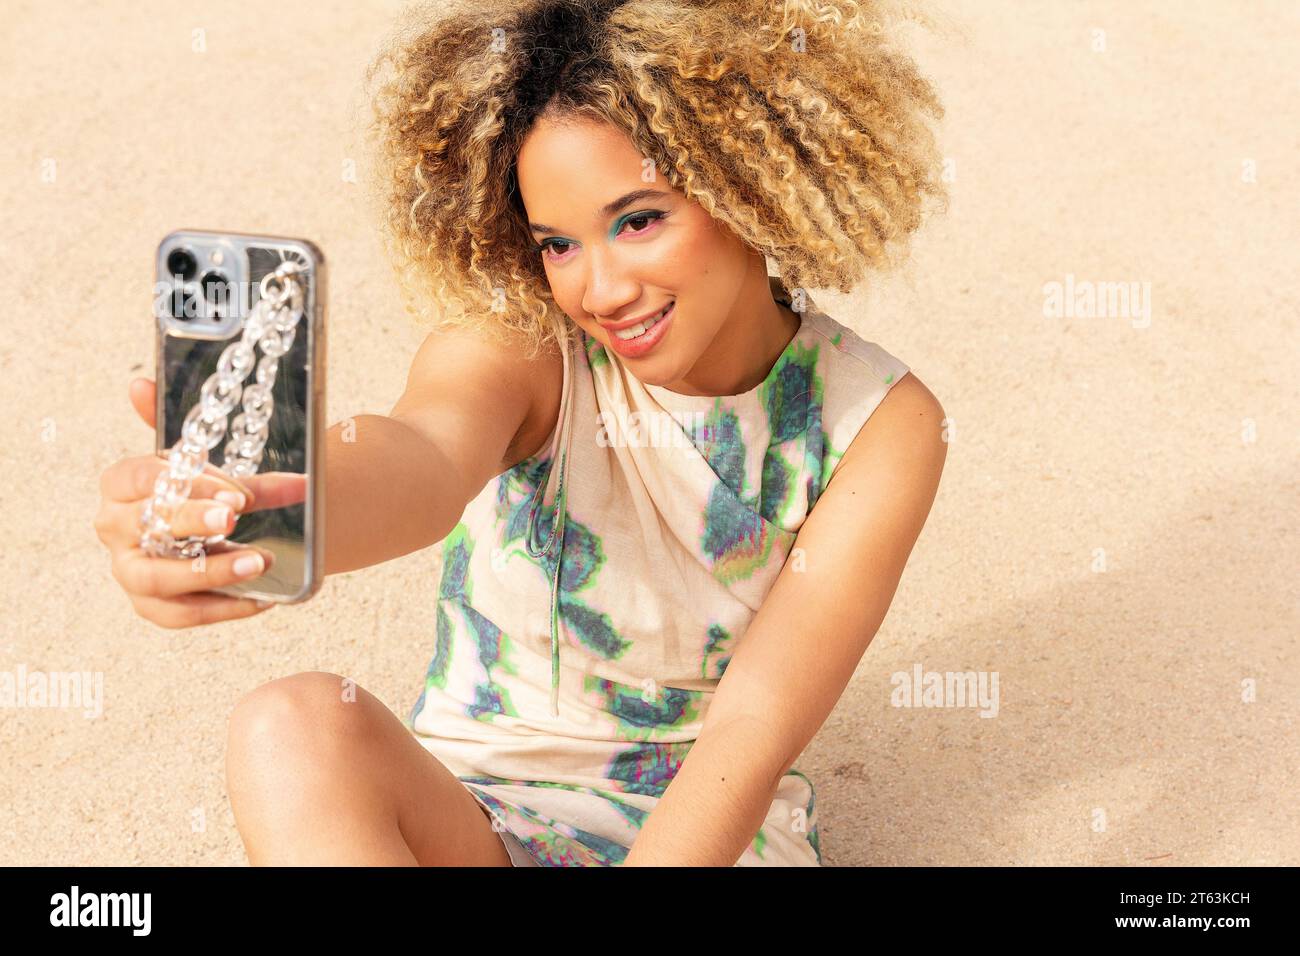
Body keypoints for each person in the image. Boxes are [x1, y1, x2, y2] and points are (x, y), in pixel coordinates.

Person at [94, 0, 949, 866]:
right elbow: (422, 459)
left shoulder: (877, 424)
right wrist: (286, 503)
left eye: (639, 220)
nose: (602, 289)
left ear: (747, 185)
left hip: (701, 837)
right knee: (292, 726)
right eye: (558, 244)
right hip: (484, 817)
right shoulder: (530, 344)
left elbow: (752, 730)